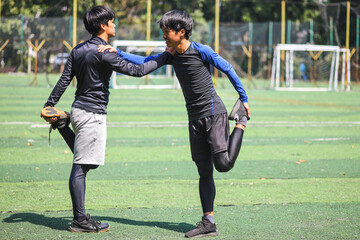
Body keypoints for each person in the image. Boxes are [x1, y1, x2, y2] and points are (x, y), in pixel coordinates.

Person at [98, 9, 251, 238]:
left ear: (181, 32)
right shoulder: (170, 54)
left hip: (214, 113)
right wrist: (117, 52)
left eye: (167, 32)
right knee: (204, 171)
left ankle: (241, 121)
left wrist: (244, 99)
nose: (164, 36)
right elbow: (146, 61)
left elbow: (227, 68)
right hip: (194, 119)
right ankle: (208, 221)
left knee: (224, 164)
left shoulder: (201, 50)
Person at [41, 5, 173, 233]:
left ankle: (64, 124)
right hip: (92, 114)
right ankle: (80, 220)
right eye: (112, 21)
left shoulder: (78, 50)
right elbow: (138, 71)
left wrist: (49, 104)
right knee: (83, 165)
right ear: (103, 25)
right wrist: (165, 58)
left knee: (87, 161)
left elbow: (64, 80)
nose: (115, 24)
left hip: (80, 111)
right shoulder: (105, 52)